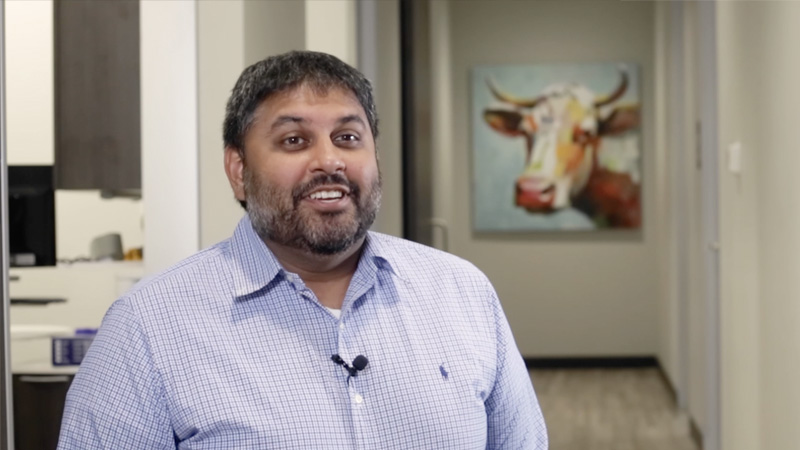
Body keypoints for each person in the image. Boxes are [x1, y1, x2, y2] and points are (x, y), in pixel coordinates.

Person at [57, 50, 548, 449]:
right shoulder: (148, 327)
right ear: (238, 170)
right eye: (294, 140)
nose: (329, 160)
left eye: (348, 137)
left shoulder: (462, 291)